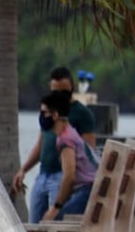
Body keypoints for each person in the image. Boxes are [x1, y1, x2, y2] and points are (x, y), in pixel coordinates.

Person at [12, 66, 97, 223]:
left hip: (63, 176)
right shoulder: (51, 116)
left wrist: (58, 204)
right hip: (43, 174)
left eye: (63, 92)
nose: (59, 96)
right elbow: (40, 145)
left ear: (72, 87)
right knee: (36, 225)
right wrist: (23, 169)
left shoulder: (76, 121)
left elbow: (88, 152)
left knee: (53, 223)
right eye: (55, 92)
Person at [36, 90, 97, 219]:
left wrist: (56, 207)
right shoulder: (70, 132)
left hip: (87, 191)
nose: (41, 116)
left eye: (44, 112)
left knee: (54, 220)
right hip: (90, 189)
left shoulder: (65, 139)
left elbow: (70, 176)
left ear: (55, 115)